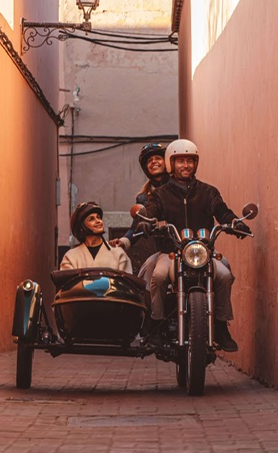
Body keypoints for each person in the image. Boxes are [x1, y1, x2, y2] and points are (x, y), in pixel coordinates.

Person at [135, 139, 244, 352]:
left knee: (224, 275)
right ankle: (156, 323)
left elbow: (222, 211)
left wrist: (234, 222)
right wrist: (146, 220)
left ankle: (221, 326)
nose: (185, 165)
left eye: (190, 161)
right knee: (158, 276)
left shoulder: (208, 191)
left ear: (196, 164)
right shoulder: (160, 194)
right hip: (171, 252)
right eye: (180, 161)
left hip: (203, 252)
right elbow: (151, 210)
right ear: (171, 164)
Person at [60, 201, 132, 272]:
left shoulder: (118, 253)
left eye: (98, 217)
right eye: (91, 219)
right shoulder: (71, 257)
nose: (98, 221)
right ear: (81, 228)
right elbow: (67, 279)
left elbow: (126, 278)